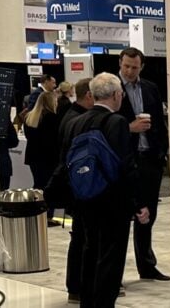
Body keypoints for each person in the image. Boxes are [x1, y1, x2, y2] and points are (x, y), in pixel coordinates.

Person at [61, 73, 150, 308]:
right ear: (115, 95)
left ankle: (87, 301)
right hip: (112, 203)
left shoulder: (74, 122)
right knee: (111, 259)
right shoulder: (116, 122)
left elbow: (64, 163)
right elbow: (125, 166)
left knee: (89, 253)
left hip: (84, 199)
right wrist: (139, 203)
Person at [116, 48, 170, 282]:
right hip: (123, 161)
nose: (130, 71)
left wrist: (161, 152)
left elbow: (160, 124)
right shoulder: (110, 87)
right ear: (120, 64)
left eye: (134, 67)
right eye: (126, 66)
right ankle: (114, 273)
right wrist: (129, 127)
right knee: (121, 216)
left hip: (149, 159)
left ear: (142, 66)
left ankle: (147, 265)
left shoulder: (150, 88)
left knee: (148, 216)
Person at [58, 77, 94, 302]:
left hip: (76, 188)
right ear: (89, 95)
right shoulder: (78, 120)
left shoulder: (70, 116)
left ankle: (77, 286)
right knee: (82, 239)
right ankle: (78, 286)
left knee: (80, 238)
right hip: (81, 189)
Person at [22, 90, 63, 190]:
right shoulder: (54, 119)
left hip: (33, 157)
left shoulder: (29, 117)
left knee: (38, 183)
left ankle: (37, 203)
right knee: (49, 186)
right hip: (50, 158)